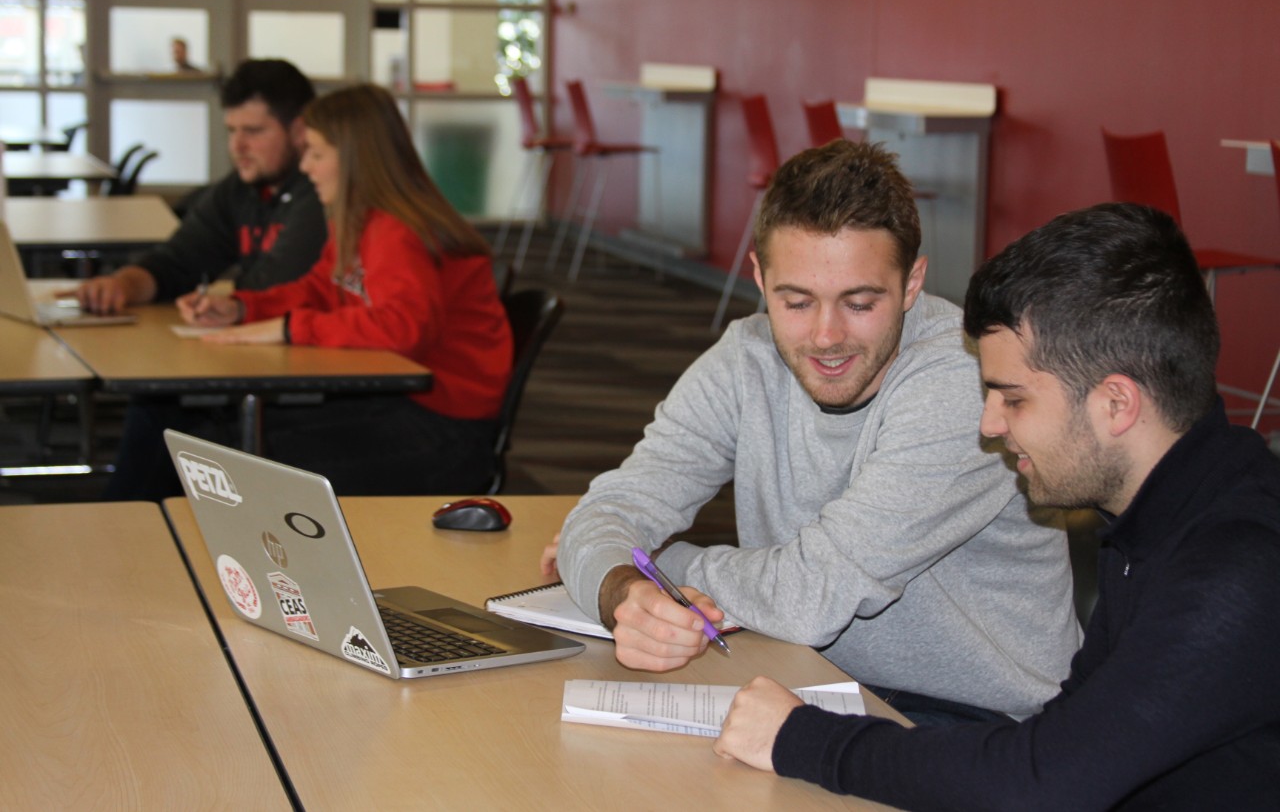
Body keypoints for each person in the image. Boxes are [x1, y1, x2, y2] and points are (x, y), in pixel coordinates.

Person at [714, 203, 1280, 809]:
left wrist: (801, 738)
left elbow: (1042, 782)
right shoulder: (1161, 516)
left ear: (1116, 404)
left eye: (1013, 399)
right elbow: (1062, 742)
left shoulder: (1237, 567)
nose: (989, 425)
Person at [547, 140, 1080, 723]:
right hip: (813, 679)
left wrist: (665, 564)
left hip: (979, 721)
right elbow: (610, 510)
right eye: (796, 302)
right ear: (759, 279)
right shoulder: (746, 357)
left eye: (859, 303)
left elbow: (808, 597)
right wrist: (625, 592)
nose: (826, 337)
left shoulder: (964, 379)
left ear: (911, 284)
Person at [149, 82, 510, 497]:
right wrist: (242, 308)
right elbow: (321, 287)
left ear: (357, 160)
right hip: (402, 404)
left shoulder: (398, 231)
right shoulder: (358, 218)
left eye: (316, 154)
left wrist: (290, 328)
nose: (305, 167)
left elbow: (403, 328)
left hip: (446, 429)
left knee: (231, 459)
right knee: (209, 442)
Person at [75, 59, 326, 315]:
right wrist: (122, 285)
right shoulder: (240, 189)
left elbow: (274, 288)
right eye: (231, 131)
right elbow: (178, 262)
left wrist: (227, 304)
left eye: (253, 131)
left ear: (299, 130)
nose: (237, 147)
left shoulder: (323, 191)